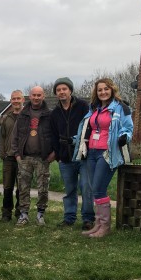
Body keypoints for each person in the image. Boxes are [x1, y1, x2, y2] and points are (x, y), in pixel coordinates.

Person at [73, 78, 133, 238]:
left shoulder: (121, 107)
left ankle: (105, 227)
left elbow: (128, 127)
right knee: (95, 189)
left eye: (106, 89)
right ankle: (98, 225)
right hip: (91, 151)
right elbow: (87, 127)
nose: (103, 92)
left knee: (99, 188)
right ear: (96, 92)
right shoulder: (94, 108)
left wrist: (124, 137)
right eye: (100, 90)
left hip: (107, 152)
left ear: (112, 90)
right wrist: (78, 140)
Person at [49, 77, 95, 230]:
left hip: (83, 156)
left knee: (86, 187)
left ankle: (88, 219)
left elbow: (90, 127)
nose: (61, 92)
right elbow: (53, 135)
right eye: (58, 90)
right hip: (65, 158)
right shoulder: (55, 113)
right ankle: (69, 217)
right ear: (56, 93)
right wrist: (59, 155)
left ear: (70, 91)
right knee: (69, 190)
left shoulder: (83, 106)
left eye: (64, 89)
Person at [12, 86, 56, 226]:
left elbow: (55, 136)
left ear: (43, 96)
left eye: (39, 95)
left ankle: (40, 214)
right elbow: (15, 137)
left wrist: (54, 154)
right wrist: (17, 155)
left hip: (43, 158)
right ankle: (23, 214)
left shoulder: (50, 115)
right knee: (23, 188)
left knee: (43, 188)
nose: (36, 97)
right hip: (25, 158)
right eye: (34, 95)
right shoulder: (23, 115)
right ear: (29, 97)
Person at [0, 90, 24, 222]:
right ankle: (6, 213)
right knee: (7, 186)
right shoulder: (6, 118)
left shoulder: (27, 116)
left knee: (21, 187)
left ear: (23, 100)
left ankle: (20, 212)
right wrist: (2, 154)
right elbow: (2, 138)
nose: (16, 101)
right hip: (8, 158)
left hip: (22, 158)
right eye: (13, 99)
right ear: (11, 101)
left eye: (18, 98)